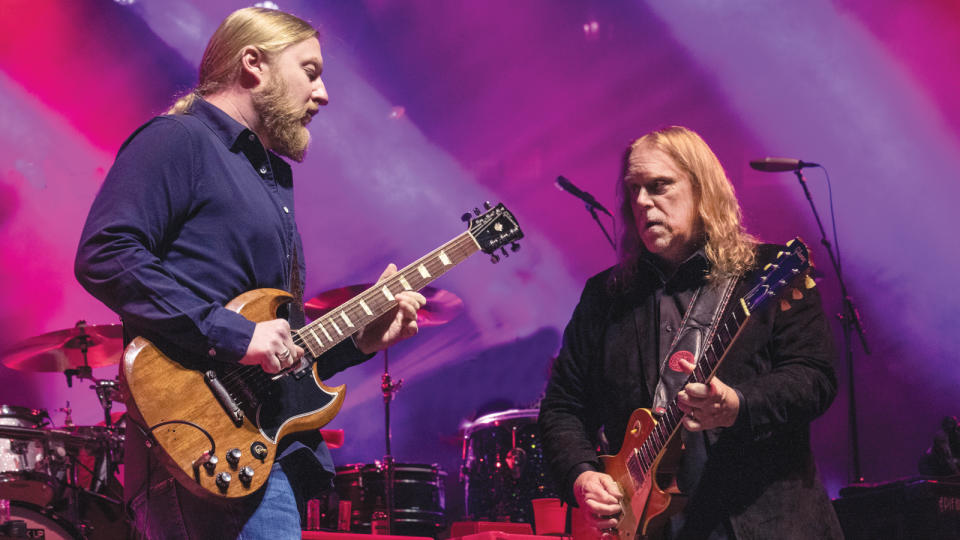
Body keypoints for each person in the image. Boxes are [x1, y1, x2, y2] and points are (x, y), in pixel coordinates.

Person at [74, 7, 425, 539]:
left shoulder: (268, 178)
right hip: (199, 454)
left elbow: (276, 347)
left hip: (258, 456)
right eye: (310, 70)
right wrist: (236, 334)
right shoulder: (179, 141)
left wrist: (363, 340)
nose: (324, 93)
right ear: (254, 64)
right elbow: (105, 252)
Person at [538, 126, 843, 539]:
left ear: (702, 189)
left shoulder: (767, 273)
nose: (642, 202)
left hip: (764, 523)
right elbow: (563, 407)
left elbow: (814, 376)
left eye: (659, 186)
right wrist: (582, 477)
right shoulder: (606, 297)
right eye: (633, 190)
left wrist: (739, 403)